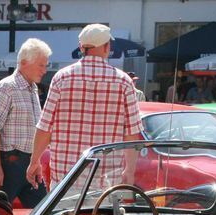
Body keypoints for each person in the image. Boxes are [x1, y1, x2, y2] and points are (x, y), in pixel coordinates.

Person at [27, 24, 141, 190]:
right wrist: (129, 171)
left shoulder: (61, 78)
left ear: (81, 47)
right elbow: (132, 133)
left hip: (66, 178)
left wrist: (34, 161)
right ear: (106, 47)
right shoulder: (124, 81)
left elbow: (45, 127)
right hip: (107, 179)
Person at [0, 38, 50, 208]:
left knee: (43, 214)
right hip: (9, 163)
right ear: (23, 63)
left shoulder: (33, 88)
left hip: (28, 162)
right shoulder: (6, 87)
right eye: (41, 65)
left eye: (45, 65)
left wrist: (35, 161)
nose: (44, 70)